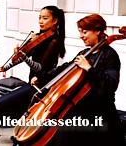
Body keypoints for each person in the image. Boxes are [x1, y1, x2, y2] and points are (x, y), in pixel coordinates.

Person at [28, 14, 125, 146]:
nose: (81, 36)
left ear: (97, 31)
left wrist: (89, 68)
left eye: (84, 32)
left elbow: (109, 85)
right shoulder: (85, 53)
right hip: (80, 104)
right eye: (80, 32)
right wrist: (42, 77)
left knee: (65, 127)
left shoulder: (110, 55)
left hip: (99, 109)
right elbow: (64, 68)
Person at [0, 6, 66, 121]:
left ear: (55, 21)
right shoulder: (38, 37)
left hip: (40, 84)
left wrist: (24, 56)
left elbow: (39, 68)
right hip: (31, 82)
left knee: (0, 105)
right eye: (40, 18)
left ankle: (26, 123)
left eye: (45, 18)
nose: (40, 21)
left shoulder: (54, 42)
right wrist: (4, 68)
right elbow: (20, 58)